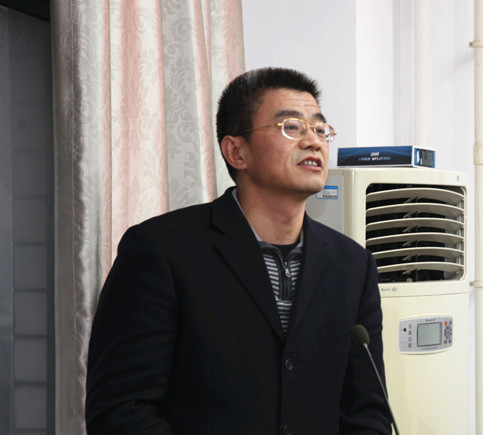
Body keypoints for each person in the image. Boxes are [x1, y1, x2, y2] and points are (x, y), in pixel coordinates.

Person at [85, 67, 392, 434]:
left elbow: (367, 411)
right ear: (236, 152)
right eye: (291, 127)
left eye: (320, 128)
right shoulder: (161, 250)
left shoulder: (352, 265)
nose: (314, 141)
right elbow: (120, 410)